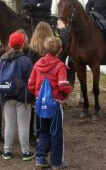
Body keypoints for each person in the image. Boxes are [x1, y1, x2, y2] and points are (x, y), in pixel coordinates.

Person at [28, 37, 72, 169]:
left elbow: (30, 84)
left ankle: (40, 158)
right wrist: (67, 92)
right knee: (56, 133)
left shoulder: (37, 64)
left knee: (43, 132)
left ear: (45, 49)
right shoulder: (60, 66)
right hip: (54, 103)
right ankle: (57, 162)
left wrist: (38, 95)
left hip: (40, 104)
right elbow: (63, 85)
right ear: (60, 50)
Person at [0, 32, 35, 161]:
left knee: (9, 124)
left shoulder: (2, 58)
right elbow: (31, 81)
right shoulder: (26, 60)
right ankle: (25, 152)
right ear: (23, 44)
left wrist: (5, 90)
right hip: (23, 98)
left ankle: (7, 151)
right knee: (23, 125)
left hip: (6, 97)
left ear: (10, 44)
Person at [27, 21, 54, 146]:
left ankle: (35, 136)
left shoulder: (31, 52)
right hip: (50, 88)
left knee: (35, 112)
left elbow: (30, 71)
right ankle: (48, 135)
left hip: (37, 88)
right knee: (48, 112)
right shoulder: (52, 51)